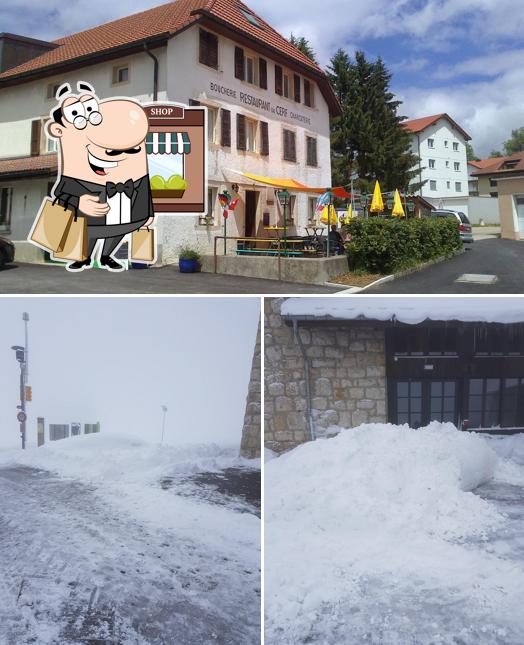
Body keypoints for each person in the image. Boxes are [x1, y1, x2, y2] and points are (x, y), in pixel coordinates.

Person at [41, 81, 155, 272]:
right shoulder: (75, 177)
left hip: (124, 216)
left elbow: (143, 189)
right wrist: (79, 202)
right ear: (58, 130)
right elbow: (62, 191)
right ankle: (84, 257)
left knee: (117, 231)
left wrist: (148, 213)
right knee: (91, 231)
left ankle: (106, 255)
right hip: (91, 220)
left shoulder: (137, 176)